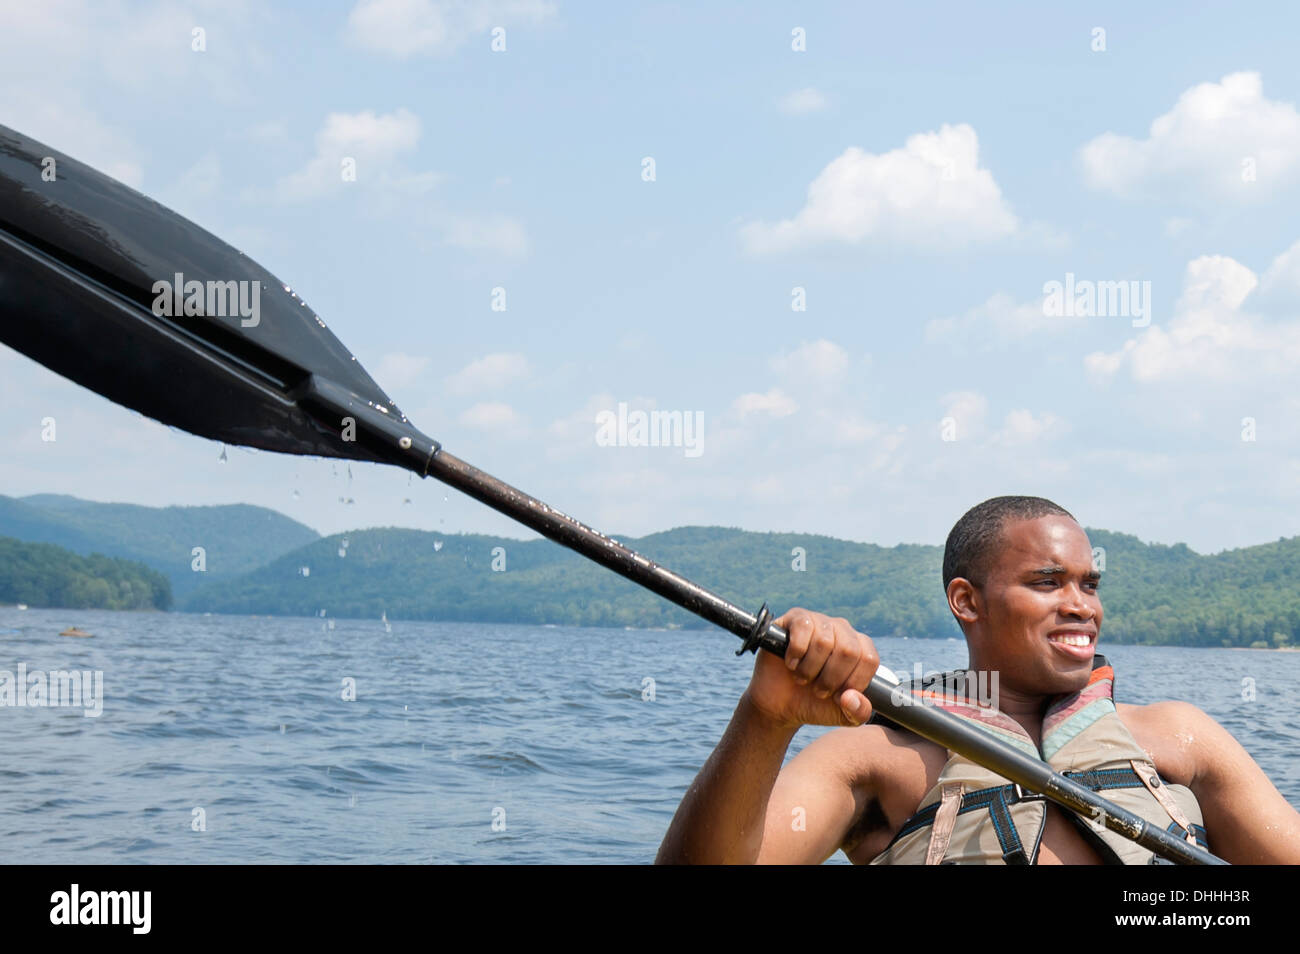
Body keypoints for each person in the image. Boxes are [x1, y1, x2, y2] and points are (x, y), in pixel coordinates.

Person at [656, 496, 1300, 864]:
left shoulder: (1179, 737)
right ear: (967, 601)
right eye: (1047, 582)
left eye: (1089, 584)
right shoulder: (876, 759)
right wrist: (766, 720)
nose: (1082, 605)